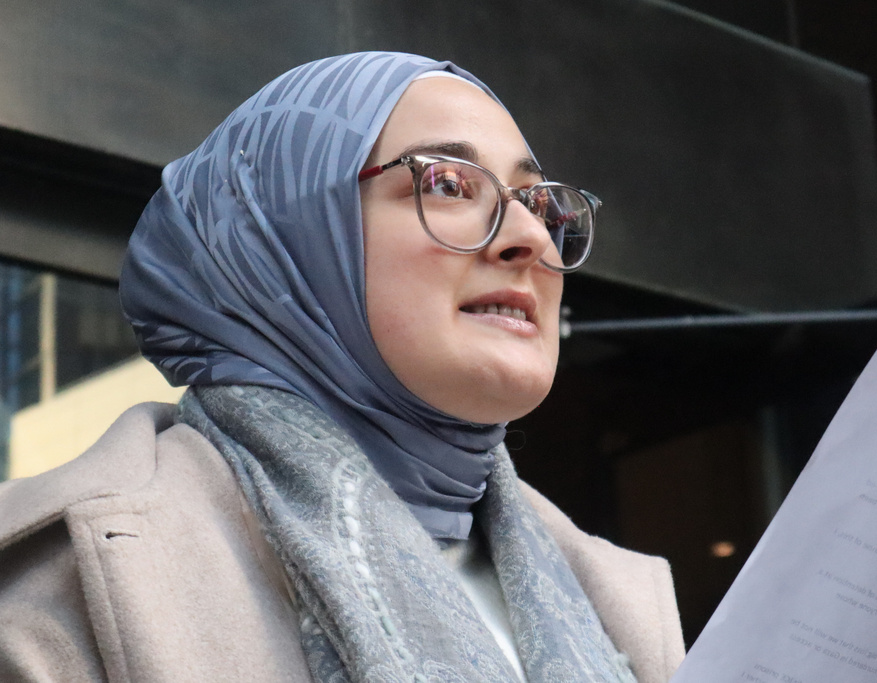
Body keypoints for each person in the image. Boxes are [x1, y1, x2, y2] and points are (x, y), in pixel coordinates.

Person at [0, 52, 684, 682]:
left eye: (540, 203)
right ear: (279, 237)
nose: (532, 237)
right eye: (448, 183)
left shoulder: (617, 603)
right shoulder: (56, 586)